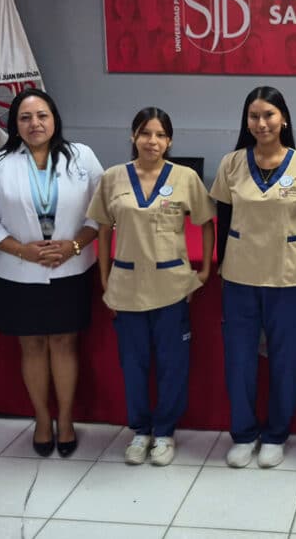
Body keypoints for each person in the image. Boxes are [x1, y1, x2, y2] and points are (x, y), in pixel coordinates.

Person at [0, 89, 105, 458]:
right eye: (26, 118)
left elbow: (101, 210)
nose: (35, 124)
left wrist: (74, 245)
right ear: (14, 124)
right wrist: (22, 250)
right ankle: (42, 419)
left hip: (70, 267)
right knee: (30, 344)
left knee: (64, 341)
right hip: (18, 271)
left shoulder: (82, 157)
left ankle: (65, 420)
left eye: (42, 116)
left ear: (54, 118)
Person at [87, 107, 214, 467]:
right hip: (126, 285)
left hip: (172, 285)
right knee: (134, 363)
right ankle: (140, 430)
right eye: (145, 133)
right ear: (133, 137)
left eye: (160, 135)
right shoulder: (113, 178)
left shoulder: (185, 177)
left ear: (170, 140)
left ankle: (164, 432)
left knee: (173, 364)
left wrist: (202, 271)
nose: (152, 141)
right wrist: (104, 278)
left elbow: (206, 222)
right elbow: (102, 229)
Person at [210, 86, 296, 469]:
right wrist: (222, 264)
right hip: (239, 276)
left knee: (286, 360)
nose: (261, 123)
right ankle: (243, 433)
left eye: (269, 115)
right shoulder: (232, 163)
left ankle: (275, 434)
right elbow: (222, 219)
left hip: (289, 277)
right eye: (254, 116)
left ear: (283, 118)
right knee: (240, 358)